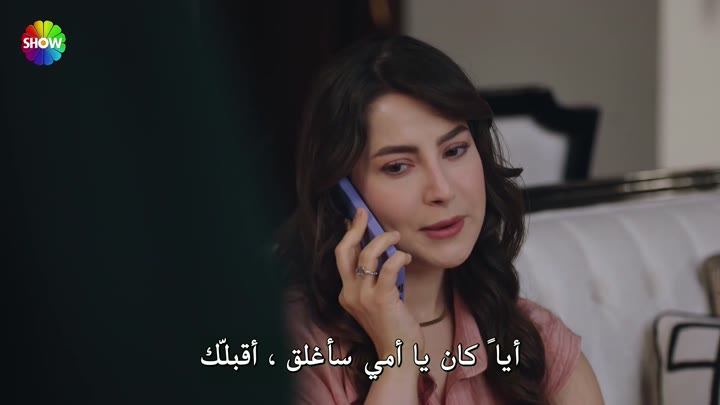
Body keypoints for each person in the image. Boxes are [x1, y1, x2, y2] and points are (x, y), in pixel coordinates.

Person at [274, 34, 604, 405]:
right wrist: (397, 362)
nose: (442, 190)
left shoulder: (534, 342)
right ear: (341, 194)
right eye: (398, 166)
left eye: (455, 150)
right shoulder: (292, 351)